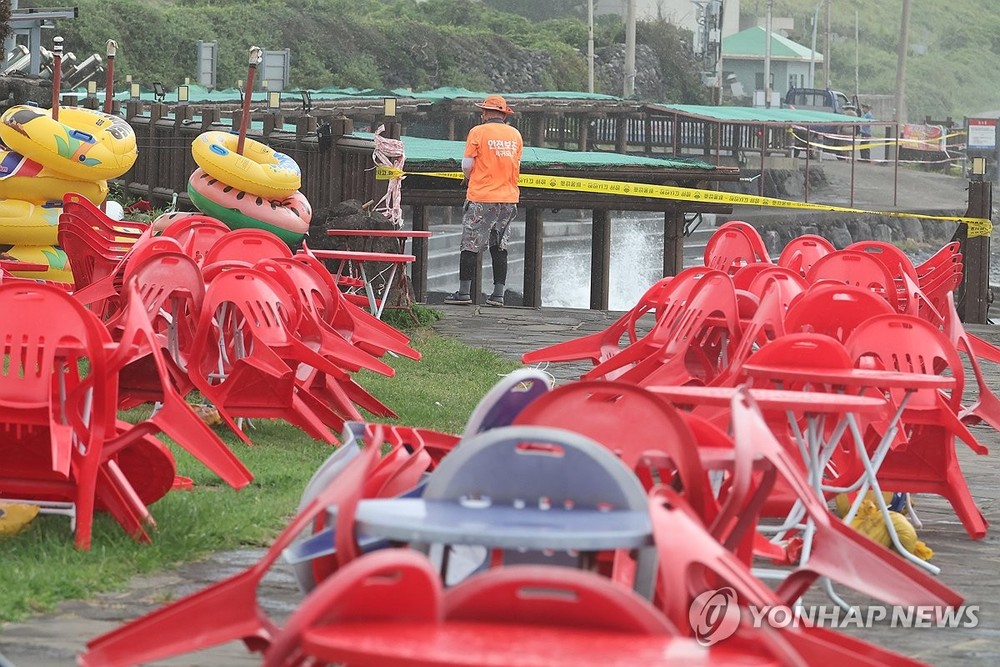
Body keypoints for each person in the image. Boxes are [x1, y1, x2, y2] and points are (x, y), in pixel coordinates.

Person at [445, 94, 523, 307]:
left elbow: (466, 165)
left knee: (470, 243)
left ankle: (464, 293)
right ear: (504, 114)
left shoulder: (477, 132)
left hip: (481, 196)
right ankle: (498, 294)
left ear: (486, 113)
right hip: (508, 198)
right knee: (500, 245)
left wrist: (468, 179)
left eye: (483, 111)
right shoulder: (515, 135)